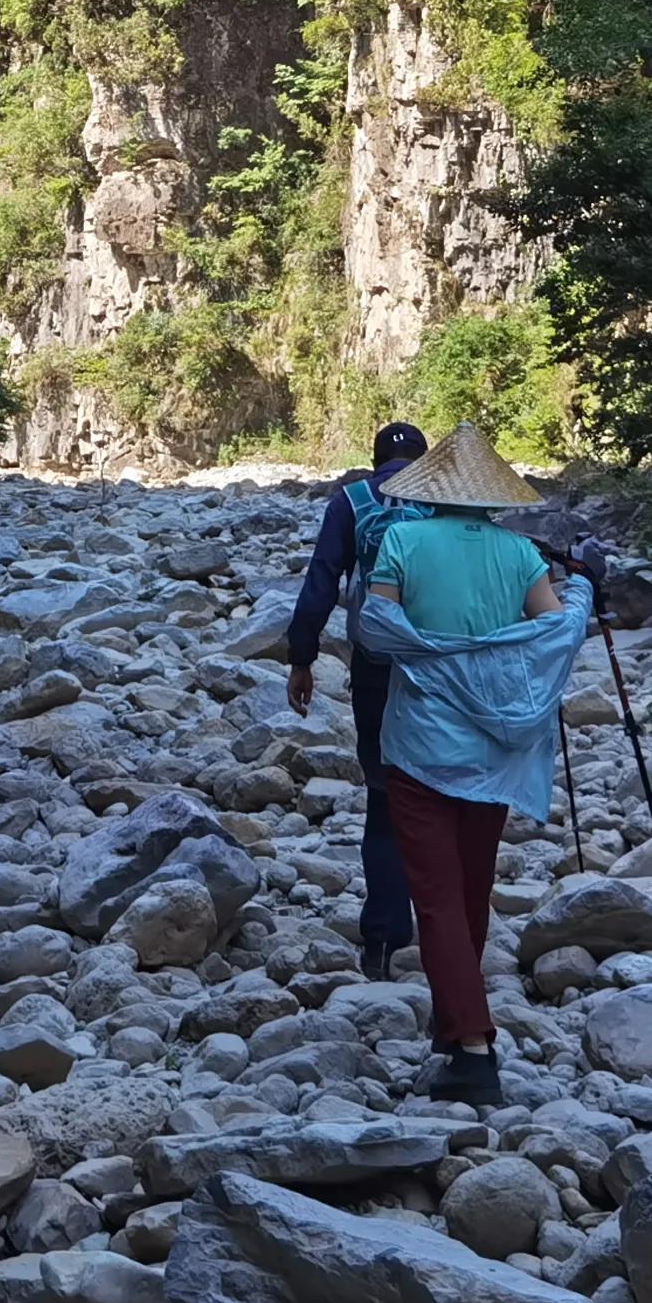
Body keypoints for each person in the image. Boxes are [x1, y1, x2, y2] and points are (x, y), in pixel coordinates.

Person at [352, 422, 592, 1106]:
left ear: (430, 491)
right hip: (494, 753)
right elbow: (548, 635)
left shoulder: (402, 539)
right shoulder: (520, 556)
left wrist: (434, 650)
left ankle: (474, 1048)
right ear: (494, 497)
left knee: (434, 898)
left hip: (421, 746)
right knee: (470, 889)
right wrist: (579, 590)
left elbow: (378, 630)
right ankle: (452, 1029)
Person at [281, 418, 429, 980]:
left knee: (385, 794)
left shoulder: (353, 500)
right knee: (445, 793)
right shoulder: (445, 502)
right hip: (442, 670)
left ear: (374, 461)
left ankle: (383, 937)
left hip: (374, 666)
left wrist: (302, 657)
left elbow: (323, 579)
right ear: (426, 461)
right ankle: (451, 934)